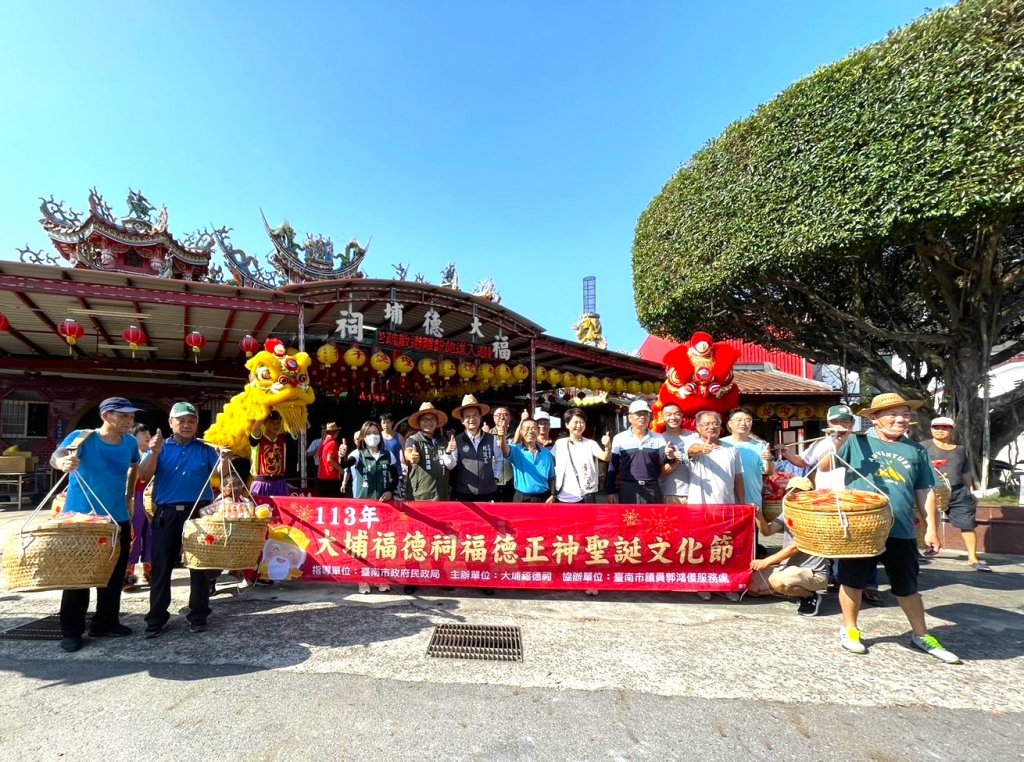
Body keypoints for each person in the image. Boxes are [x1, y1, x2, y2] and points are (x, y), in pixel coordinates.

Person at [819, 392, 960, 663]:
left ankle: (921, 634)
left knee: (907, 586)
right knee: (852, 580)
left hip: (902, 528)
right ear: (874, 418)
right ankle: (850, 629)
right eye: (893, 414)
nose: (901, 420)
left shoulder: (915, 450)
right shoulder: (857, 442)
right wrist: (837, 441)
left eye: (906, 414)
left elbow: (924, 491)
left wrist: (931, 527)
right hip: (863, 527)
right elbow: (825, 468)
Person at [50, 397, 142, 652]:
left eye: (131, 416)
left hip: (117, 518)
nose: (129, 420)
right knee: (78, 576)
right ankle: (71, 631)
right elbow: (56, 456)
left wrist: (129, 497)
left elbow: (134, 468)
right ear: (106, 416)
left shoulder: (131, 443)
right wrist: (62, 463)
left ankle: (106, 622)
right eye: (123, 415)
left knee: (114, 573)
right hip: (82, 520)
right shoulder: (83, 438)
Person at [139, 401, 230, 638]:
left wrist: (225, 458)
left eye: (191, 421)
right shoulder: (160, 447)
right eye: (181, 421)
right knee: (161, 567)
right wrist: (154, 452)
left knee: (199, 566)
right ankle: (156, 618)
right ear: (171, 423)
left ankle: (198, 615)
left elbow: (222, 474)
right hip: (167, 512)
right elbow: (144, 474)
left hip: (199, 512)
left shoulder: (206, 449)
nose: (187, 425)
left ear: (197, 424)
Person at [683, 410, 744, 602]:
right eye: (706, 424)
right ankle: (703, 584)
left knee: (724, 546)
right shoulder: (692, 443)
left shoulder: (731, 450)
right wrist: (702, 449)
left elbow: (738, 478)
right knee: (701, 546)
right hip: (699, 506)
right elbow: (690, 451)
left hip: (726, 505)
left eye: (715, 424)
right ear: (698, 427)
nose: (711, 427)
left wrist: (741, 503)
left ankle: (726, 584)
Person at [924, 416, 990, 572]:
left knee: (967, 524)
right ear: (931, 429)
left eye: (944, 427)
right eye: (936, 427)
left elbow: (966, 472)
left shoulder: (960, 450)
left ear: (952, 430)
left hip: (958, 491)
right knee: (925, 521)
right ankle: (927, 548)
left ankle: (973, 557)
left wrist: (971, 491)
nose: (940, 430)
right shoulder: (922, 447)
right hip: (929, 491)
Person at [345, 420, 399, 593]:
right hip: (364, 507)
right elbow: (346, 464)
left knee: (381, 542)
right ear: (362, 436)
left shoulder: (388, 455)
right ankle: (363, 578)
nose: (372, 436)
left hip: (383, 506)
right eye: (368, 433)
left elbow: (395, 478)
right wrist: (341, 456)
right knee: (364, 543)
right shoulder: (357, 454)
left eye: (375, 432)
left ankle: (379, 578)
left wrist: (390, 491)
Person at [751, 505, 829, 616]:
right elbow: (767, 531)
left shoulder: (814, 519)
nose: (794, 495)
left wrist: (766, 562)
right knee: (751, 587)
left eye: (800, 492)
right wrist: (758, 515)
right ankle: (791, 591)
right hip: (789, 568)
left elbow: (795, 548)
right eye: (792, 491)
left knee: (776, 581)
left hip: (812, 571)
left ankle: (809, 596)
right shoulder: (788, 513)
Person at [607, 399, 677, 504]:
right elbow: (613, 466)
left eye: (646, 414)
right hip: (629, 489)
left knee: (654, 520)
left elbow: (665, 459)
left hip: (652, 487)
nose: (643, 417)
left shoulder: (658, 438)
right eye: (639, 414)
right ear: (629, 417)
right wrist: (611, 491)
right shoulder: (619, 438)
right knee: (630, 519)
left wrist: (670, 455)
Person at [449, 394, 506, 502]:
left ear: (480, 417)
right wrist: (448, 452)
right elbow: (451, 465)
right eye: (467, 416)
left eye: (475, 415)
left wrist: (496, 477)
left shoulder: (491, 438)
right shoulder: (457, 440)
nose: (472, 419)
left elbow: (499, 459)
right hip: (465, 492)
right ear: (462, 420)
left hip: (489, 492)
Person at [552, 409, 612, 504]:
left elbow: (606, 457)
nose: (579, 426)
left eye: (582, 422)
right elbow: (550, 462)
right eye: (576, 422)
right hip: (563, 495)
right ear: (567, 425)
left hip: (586, 495)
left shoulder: (590, 443)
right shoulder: (560, 444)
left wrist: (607, 446)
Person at [404, 403, 457, 500]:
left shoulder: (444, 441)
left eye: (432, 419)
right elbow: (408, 451)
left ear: (437, 422)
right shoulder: (413, 439)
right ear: (419, 422)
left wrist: (450, 452)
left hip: (442, 496)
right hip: (420, 497)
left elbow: (450, 463)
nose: (429, 422)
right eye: (425, 419)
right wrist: (412, 456)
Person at [124, 423, 153, 592]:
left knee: (151, 534)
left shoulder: (153, 453)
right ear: (134, 436)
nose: (148, 435)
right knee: (133, 535)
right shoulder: (129, 453)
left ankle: (150, 571)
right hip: (134, 496)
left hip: (151, 497)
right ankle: (128, 575)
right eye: (143, 432)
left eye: (148, 432)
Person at [500, 417, 556, 502]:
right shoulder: (516, 450)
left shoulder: (546, 453)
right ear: (521, 432)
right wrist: (502, 437)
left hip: (544, 498)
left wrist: (553, 495)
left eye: (533, 428)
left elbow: (552, 477)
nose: (530, 431)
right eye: (527, 428)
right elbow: (504, 450)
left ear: (538, 431)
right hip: (522, 498)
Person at [249, 410, 291, 500]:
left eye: (278, 422)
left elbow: (292, 425)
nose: (276, 425)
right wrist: (265, 408)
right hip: (261, 483)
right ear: (264, 423)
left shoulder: (282, 439)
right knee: (260, 512)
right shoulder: (258, 439)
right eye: (272, 422)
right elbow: (255, 428)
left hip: (280, 484)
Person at [658, 402, 692, 505]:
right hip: (669, 492)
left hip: (695, 492)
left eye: (677, 414)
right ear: (662, 417)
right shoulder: (658, 439)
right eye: (668, 414)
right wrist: (675, 460)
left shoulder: (693, 436)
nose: (673, 417)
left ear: (682, 415)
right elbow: (658, 471)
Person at [489, 407, 516, 501]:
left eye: (505, 414)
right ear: (493, 418)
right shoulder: (487, 435)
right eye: (498, 415)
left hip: (512, 480)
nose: (502, 417)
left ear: (510, 418)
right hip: (493, 480)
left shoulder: (516, 434)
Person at [317, 422, 345, 496]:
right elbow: (329, 459)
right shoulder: (333, 443)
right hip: (331, 478)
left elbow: (319, 456)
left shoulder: (322, 444)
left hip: (321, 476)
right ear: (336, 433)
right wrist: (340, 469)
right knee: (334, 502)